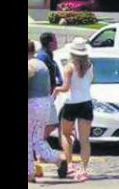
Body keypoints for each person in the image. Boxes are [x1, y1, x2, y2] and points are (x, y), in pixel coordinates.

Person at [53, 37, 94, 182]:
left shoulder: (69, 67)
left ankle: (70, 164)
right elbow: (90, 81)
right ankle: (84, 169)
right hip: (86, 102)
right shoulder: (90, 65)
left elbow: (66, 87)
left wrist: (56, 89)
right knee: (84, 139)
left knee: (65, 134)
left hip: (71, 103)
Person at [28, 39, 68, 183]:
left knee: (31, 139)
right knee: (36, 139)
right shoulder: (41, 64)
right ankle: (56, 159)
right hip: (44, 103)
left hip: (33, 104)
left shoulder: (30, 65)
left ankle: (31, 172)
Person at [36, 32, 62, 139]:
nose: (57, 43)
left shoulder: (48, 55)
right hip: (43, 95)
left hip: (48, 95)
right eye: (55, 40)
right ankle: (37, 141)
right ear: (50, 43)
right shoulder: (42, 56)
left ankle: (38, 142)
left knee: (51, 123)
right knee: (49, 122)